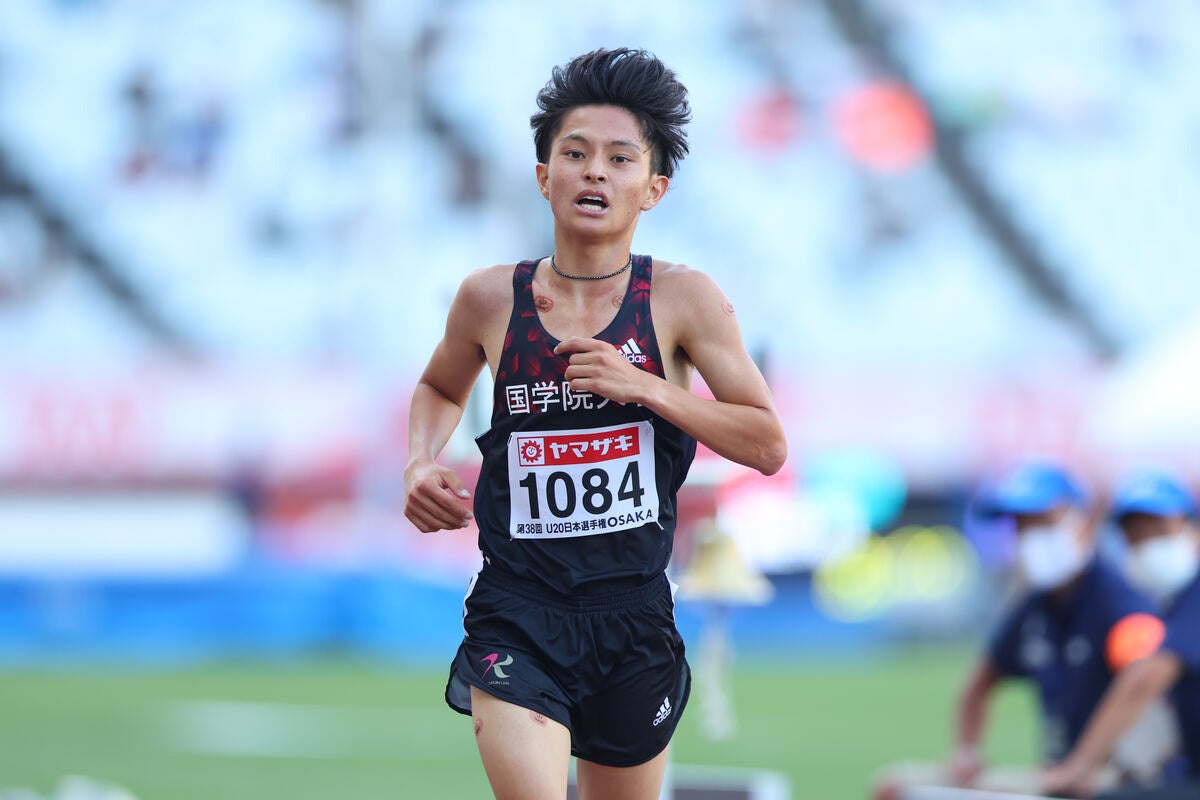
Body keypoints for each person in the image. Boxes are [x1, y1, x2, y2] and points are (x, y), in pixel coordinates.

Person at [403, 47, 787, 800]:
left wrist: (646, 388)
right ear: (544, 175)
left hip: (633, 618)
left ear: (654, 188)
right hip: (517, 612)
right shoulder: (489, 299)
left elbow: (767, 443)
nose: (595, 173)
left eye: (619, 158)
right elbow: (438, 386)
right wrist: (420, 460)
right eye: (574, 154)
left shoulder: (683, 300)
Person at [872, 461, 1165, 800]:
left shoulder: (1120, 603)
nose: (1031, 537)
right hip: (1057, 771)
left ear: (1082, 523)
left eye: (1042, 522)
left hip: (1120, 774)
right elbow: (980, 682)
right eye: (1022, 526)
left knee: (999, 791)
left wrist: (1081, 766)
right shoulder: (1036, 606)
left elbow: (1147, 687)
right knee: (894, 787)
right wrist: (967, 752)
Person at [1041, 470, 1200, 799]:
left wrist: (1079, 765)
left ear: (1192, 528)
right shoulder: (1172, 602)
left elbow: (1145, 680)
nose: (1147, 543)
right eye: (1136, 535)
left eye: (1159, 530)